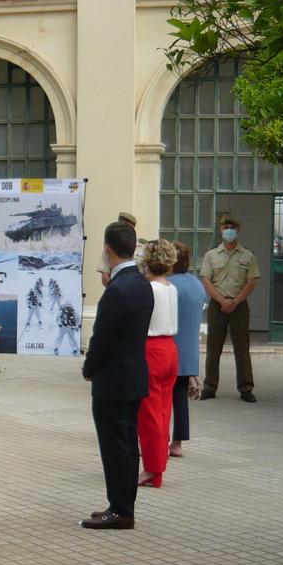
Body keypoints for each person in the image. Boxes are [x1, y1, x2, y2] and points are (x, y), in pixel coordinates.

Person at [80, 221, 154, 530]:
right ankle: (120, 504)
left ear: (107, 250)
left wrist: (89, 368)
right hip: (134, 376)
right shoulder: (142, 284)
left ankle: (122, 511)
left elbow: (102, 338)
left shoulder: (116, 291)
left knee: (115, 447)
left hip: (113, 380)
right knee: (125, 445)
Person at [200, 215, 260, 402]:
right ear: (221, 230)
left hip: (239, 306)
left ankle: (246, 388)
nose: (229, 230)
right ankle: (209, 387)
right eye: (226, 227)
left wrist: (235, 301)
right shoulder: (211, 255)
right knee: (213, 347)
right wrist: (221, 300)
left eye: (232, 227)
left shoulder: (248, 255)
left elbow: (251, 282)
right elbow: (206, 281)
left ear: (238, 230)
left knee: (242, 347)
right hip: (217, 305)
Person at [136, 240, 179, 488]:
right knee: (163, 411)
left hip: (151, 348)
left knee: (149, 414)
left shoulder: (149, 288)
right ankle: (158, 465)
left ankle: (152, 467)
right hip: (169, 348)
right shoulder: (170, 287)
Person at [167, 241, 208, 458]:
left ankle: (159, 438)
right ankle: (178, 442)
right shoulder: (196, 284)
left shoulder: (168, 284)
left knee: (162, 398)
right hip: (189, 352)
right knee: (180, 399)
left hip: (168, 350)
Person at [96, 212, 145, 286]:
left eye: (126, 227)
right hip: (117, 288)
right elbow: (105, 278)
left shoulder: (142, 247)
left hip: (139, 289)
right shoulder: (110, 249)